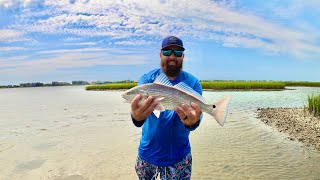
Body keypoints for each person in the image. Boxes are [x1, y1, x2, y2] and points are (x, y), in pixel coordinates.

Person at [130, 36, 203, 179]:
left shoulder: (193, 82)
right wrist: (136, 117)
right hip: (147, 153)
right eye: (167, 52)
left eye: (177, 52)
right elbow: (137, 118)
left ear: (183, 56)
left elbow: (196, 119)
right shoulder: (147, 80)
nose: (172, 56)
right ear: (160, 54)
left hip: (179, 156)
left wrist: (193, 122)